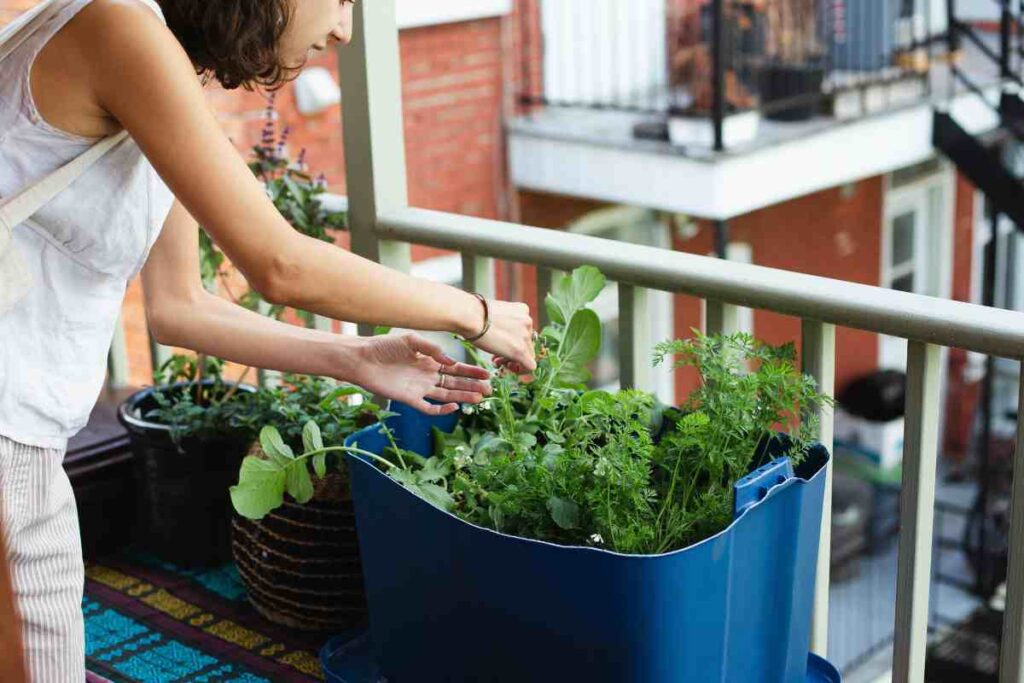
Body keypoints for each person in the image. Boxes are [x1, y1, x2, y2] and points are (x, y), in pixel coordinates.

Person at [0, 0, 536, 679]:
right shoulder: (121, 29)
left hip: (27, 438)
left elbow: (181, 307)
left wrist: (357, 358)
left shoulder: (163, 64)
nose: (345, 28)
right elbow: (278, 263)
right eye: (343, 0)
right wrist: (474, 312)